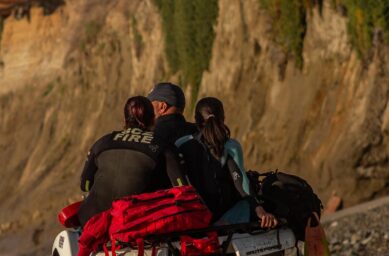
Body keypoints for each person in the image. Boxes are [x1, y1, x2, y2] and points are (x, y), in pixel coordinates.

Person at [78, 95, 186, 226]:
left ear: (124, 119)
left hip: (93, 220)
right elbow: (181, 188)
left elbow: (85, 185)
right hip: (136, 223)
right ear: (153, 119)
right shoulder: (163, 146)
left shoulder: (102, 142)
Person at [180, 96, 277, 228]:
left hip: (194, 217)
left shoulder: (181, 144)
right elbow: (241, 183)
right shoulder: (230, 146)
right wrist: (259, 210)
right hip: (222, 216)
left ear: (196, 121)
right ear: (223, 119)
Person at [148, 82, 197, 149]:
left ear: (162, 107)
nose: (147, 108)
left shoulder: (150, 135)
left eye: (149, 104)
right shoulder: (198, 131)